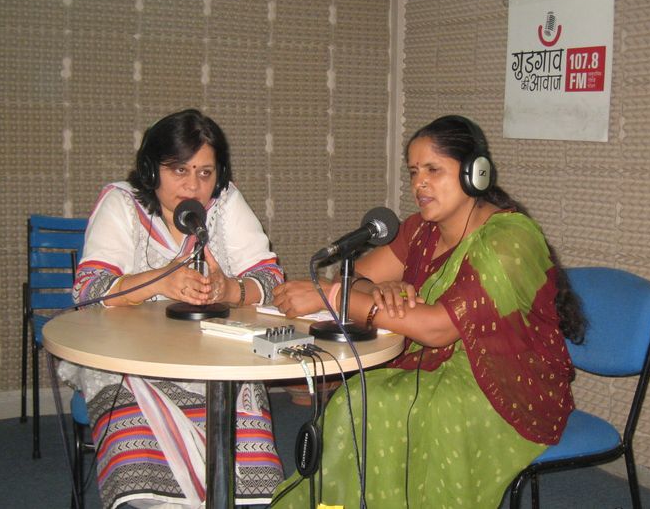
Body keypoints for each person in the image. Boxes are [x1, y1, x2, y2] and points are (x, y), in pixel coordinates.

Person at [270, 115, 586, 508]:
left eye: (433, 170)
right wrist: (378, 289)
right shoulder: (421, 229)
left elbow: (437, 330)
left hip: (508, 386)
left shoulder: (510, 238)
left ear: (476, 173)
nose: (419, 184)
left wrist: (336, 298)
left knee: (383, 407)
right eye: (414, 172)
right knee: (357, 398)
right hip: (434, 368)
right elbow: (359, 274)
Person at [58, 109, 285, 508]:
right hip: (127, 360)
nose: (193, 186)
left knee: (241, 398)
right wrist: (159, 281)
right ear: (151, 170)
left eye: (205, 173)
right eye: (179, 170)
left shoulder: (225, 203)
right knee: (141, 445)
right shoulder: (122, 203)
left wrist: (230, 289)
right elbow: (89, 290)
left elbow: (270, 279)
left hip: (212, 357)